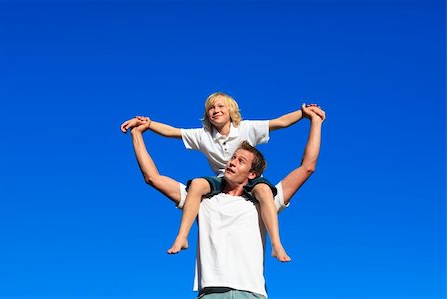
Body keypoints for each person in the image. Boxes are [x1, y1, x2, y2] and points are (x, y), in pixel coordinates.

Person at [127, 105, 325, 298]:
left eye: (241, 161)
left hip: (251, 293)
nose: (232, 162)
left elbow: (307, 167)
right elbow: (152, 177)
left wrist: (315, 122)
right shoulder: (203, 201)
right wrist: (137, 134)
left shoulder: (264, 203)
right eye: (233, 158)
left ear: (252, 174)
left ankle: (277, 244)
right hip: (211, 292)